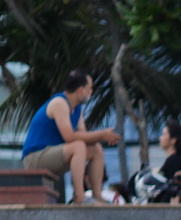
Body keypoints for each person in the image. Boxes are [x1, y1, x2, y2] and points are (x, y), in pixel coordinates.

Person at [19, 70, 117, 206]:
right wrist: (101, 134)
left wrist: (104, 137)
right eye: (90, 88)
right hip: (35, 157)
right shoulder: (59, 103)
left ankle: (97, 195)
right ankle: (79, 197)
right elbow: (69, 136)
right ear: (81, 90)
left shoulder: (77, 109)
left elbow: (84, 136)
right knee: (78, 146)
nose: (91, 92)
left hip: (54, 154)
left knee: (96, 149)